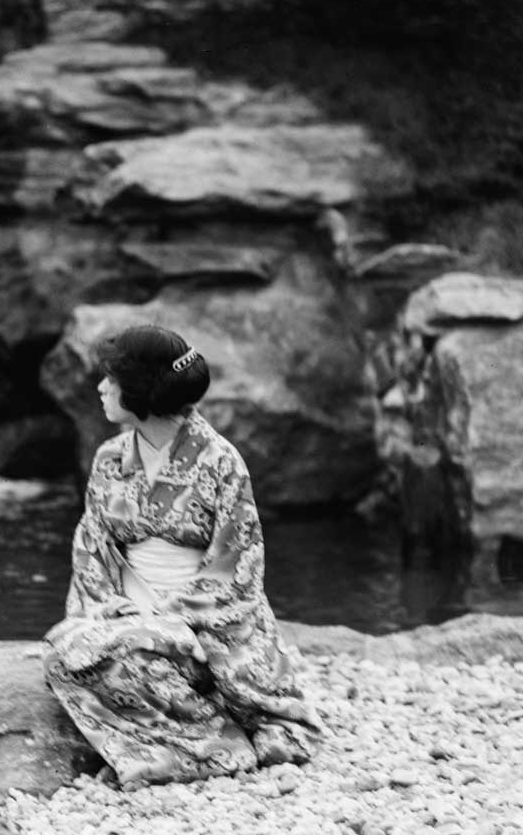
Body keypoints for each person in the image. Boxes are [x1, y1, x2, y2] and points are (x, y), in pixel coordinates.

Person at [42, 324, 320, 788]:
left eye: (111, 378)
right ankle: (202, 739)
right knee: (63, 655)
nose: (100, 387)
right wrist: (114, 607)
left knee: (105, 657)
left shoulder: (220, 461)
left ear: (141, 390)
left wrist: (172, 618)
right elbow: (91, 546)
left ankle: (208, 747)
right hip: (127, 613)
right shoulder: (110, 458)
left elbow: (238, 568)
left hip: (204, 629)